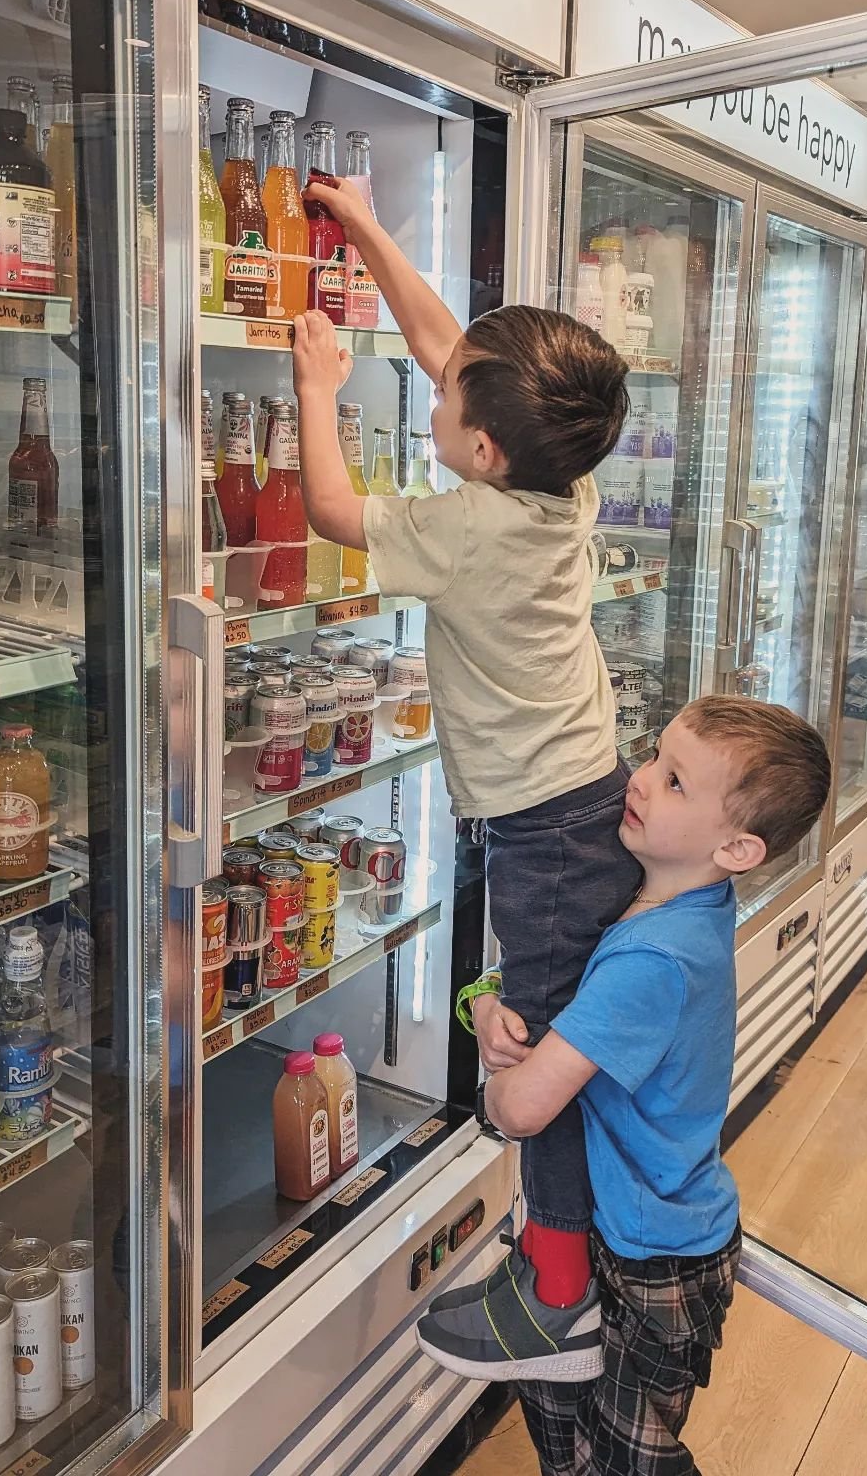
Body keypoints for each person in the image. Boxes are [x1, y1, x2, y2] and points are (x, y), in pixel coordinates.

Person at [291, 174, 641, 1377]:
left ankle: (557, 1297)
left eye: (440, 403)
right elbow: (458, 350)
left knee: (528, 1061)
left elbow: (336, 510)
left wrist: (318, 388)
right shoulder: (559, 477)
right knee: (540, 1029)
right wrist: (371, 230)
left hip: (540, 828)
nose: (430, 387)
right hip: (582, 798)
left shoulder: (467, 530)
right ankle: (564, 1251)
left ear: (479, 448)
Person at [427, 696, 831, 1474]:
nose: (638, 781)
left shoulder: (656, 961)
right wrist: (483, 1005)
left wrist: (494, 1081)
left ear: (739, 849)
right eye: (651, 756)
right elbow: (544, 1001)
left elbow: (521, 1109)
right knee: (565, 1426)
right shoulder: (668, 906)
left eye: (674, 782)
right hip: (620, 1231)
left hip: (651, 1261)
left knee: (626, 1460)